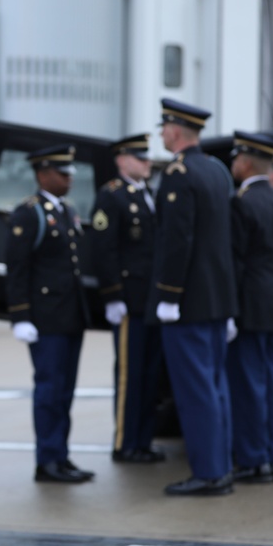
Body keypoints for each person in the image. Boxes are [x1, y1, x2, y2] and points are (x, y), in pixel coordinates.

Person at [151, 98, 239, 496]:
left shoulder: (179, 174)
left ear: (175, 131)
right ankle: (220, 466)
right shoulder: (217, 171)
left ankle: (208, 472)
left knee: (195, 390)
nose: (161, 134)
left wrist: (168, 295)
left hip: (187, 303)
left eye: (164, 127)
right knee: (215, 386)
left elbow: (176, 242)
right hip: (217, 300)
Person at [5, 144, 93, 484]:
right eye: (62, 173)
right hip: (45, 318)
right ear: (43, 174)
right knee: (49, 390)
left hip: (70, 316)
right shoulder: (29, 213)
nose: (69, 179)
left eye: (70, 173)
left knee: (66, 392)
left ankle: (61, 455)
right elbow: (17, 268)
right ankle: (47, 460)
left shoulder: (68, 210)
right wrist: (21, 316)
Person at [226, 131, 273, 484]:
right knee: (270, 382)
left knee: (249, 383)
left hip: (251, 303)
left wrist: (229, 309)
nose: (233, 165)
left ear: (246, 162)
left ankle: (254, 459)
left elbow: (236, 262)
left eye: (236, 159)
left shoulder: (242, 203)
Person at [90, 133, 166, 464]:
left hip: (149, 300)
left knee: (150, 375)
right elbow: (103, 249)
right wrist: (111, 296)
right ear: (122, 160)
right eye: (140, 157)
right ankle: (125, 442)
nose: (147, 162)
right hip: (128, 300)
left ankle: (144, 440)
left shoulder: (147, 194)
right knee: (129, 374)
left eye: (147, 157)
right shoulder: (112, 196)